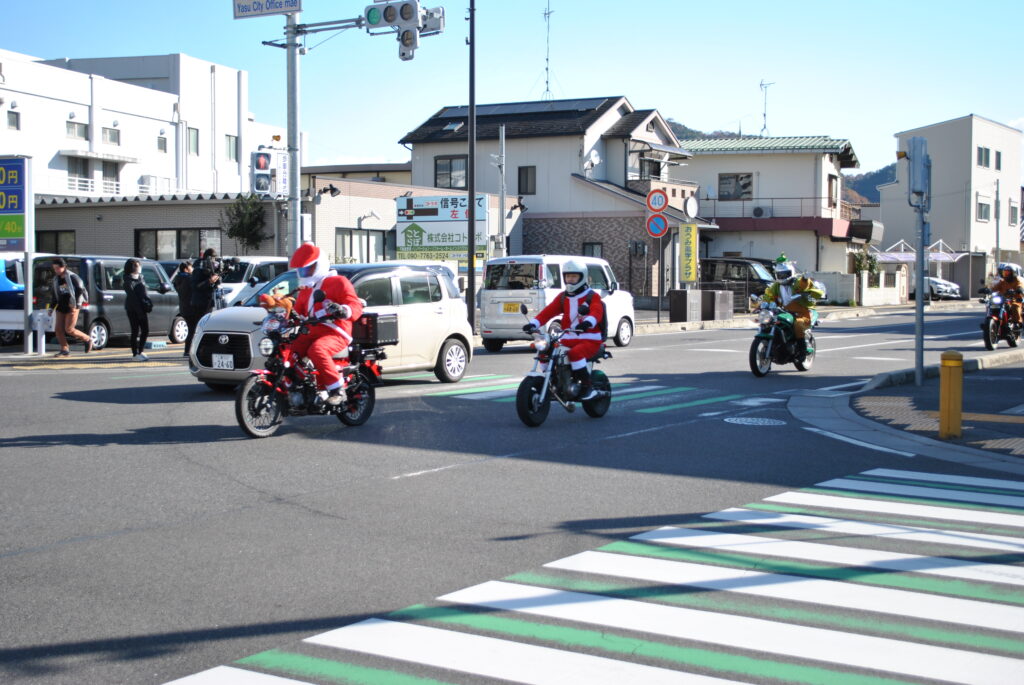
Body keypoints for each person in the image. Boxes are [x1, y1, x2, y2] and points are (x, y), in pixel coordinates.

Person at [289, 242, 363, 405]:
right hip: (310, 331)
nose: (304, 272)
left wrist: (344, 310)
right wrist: (281, 314)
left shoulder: (339, 282)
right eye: (301, 270)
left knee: (317, 350)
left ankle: (337, 389)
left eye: (308, 268)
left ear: (319, 264)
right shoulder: (305, 290)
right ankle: (294, 386)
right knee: (287, 351)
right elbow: (298, 313)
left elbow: (355, 305)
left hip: (335, 331)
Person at [522, 259, 604, 400]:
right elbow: (548, 312)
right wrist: (533, 324)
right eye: (567, 276)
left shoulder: (592, 296)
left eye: (574, 277)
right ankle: (553, 381)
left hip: (589, 338)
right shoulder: (562, 297)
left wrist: (588, 323)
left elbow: (597, 312)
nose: (570, 280)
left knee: (575, 353)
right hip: (567, 338)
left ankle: (587, 387)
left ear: (582, 277)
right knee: (545, 350)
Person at [760, 254, 824, 358]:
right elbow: (768, 295)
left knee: (798, 324)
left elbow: (804, 285)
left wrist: (805, 279)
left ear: (791, 273)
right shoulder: (776, 285)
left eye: (785, 274)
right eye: (780, 275)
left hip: (802, 311)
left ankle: (802, 349)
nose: (782, 277)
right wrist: (764, 303)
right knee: (768, 322)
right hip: (782, 311)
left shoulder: (796, 282)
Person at [48, 257, 93, 357]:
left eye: (57, 268)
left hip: (72, 305)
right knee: (58, 329)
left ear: (64, 267)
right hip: (61, 306)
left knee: (69, 329)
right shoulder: (56, 279)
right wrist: (51, 308)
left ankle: (87, 339)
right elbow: (54, 295)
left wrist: (74, 303)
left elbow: (80, 289)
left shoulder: (72, 277)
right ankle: (64, 349)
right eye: (54, 268)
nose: (56, 271)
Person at [188, 248, 221, 354]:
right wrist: (209, 281)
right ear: (208, 258)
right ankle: (190, 350)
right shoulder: (199, 268)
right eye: (213, 258)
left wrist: (216, 279)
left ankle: (205, 349)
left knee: (208, 327)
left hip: (208, 301)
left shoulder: (211, 268)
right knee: (198, 327)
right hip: (199, 303)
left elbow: (215, 285)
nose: (214, 260)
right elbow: (195, 286)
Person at [123, 258, 152, 361]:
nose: (139, 267)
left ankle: (141, 351)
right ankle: (135, 354)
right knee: (135, 331)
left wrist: (148, 304)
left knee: (145, 330)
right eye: (137, 265)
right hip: (132, 309)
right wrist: (139, 311)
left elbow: (145, 293)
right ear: (132, 268)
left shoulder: (141, 278)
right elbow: (133, 299)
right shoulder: (127, 281)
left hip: (142, 308)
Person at [173, 260, 195, 357]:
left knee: (191, 329)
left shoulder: (178, 279)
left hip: (184, 308)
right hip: (191, 307)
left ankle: (187, 350)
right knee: (192, 330)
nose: (193, 269)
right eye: (191, 267)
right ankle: (187, 351)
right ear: (186, 269)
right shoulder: (189, 279)